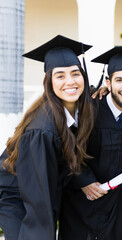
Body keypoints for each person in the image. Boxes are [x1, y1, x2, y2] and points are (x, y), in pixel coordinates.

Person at [0, 35, 94, 240]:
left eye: (75, 74)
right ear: (49, 83)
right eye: (60, 76)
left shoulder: (76, 111)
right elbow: (38, 201)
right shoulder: (42, 131)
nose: (70, 81)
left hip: (39, 191)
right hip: (18, 201)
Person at [58, 46, 122, 240]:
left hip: (115, 208)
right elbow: (65, 149)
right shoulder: (87, 110)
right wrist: (83, 181)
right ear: (108, 83)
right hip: (81, 205)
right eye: (119, 80)